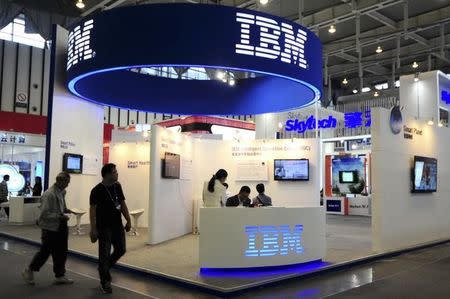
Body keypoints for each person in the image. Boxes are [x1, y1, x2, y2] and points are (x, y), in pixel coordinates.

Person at [22, 172, 74, 285]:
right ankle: (29, 270)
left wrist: (65, 210)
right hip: (49, 228)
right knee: (45, 252)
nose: (68, 185)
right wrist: (59, 216)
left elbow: (60, 207)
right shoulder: (48, 194)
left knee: (61, 252)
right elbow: (44, 214)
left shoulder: (62, 192)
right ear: (59, 181)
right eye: (67, 182)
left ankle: (60, 275)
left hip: (60, 226)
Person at [89, 163, 131, 294]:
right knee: (104, 254)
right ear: (107, 175)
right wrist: (93, 229)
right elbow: (92, 210)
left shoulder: (117, 186)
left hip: (117, 226)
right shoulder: (96, 190)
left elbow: (122, 203)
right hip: (103, 228)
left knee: (121, 249)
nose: (117, 174)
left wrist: (128, 219)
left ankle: (104, 268)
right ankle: (105, 282)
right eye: (115, 172)